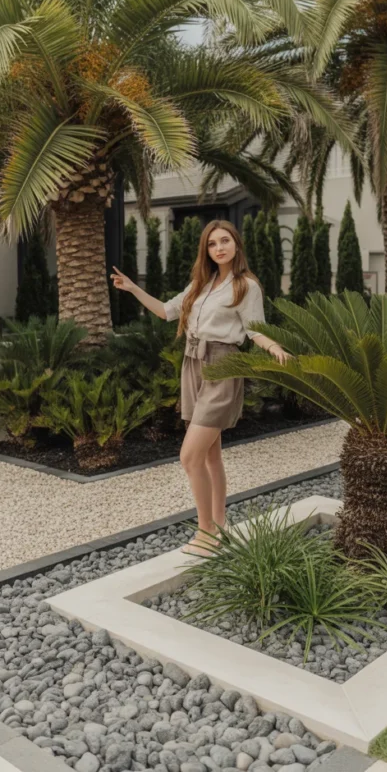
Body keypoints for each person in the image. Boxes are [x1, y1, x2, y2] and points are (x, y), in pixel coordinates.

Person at [111, 218, 290, 554]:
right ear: (206, 250)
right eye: (212, 243)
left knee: (189, 456)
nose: (219, 248)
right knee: (210, 457)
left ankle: (206, 533)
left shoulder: (246, 286)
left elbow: (255, 329)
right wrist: (133, 289)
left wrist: (275, 347)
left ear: (236, 244)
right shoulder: (201, 284)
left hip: (222, 367)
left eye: (225, 241)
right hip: (192, 365)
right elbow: (166, 311)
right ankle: (220, 526)